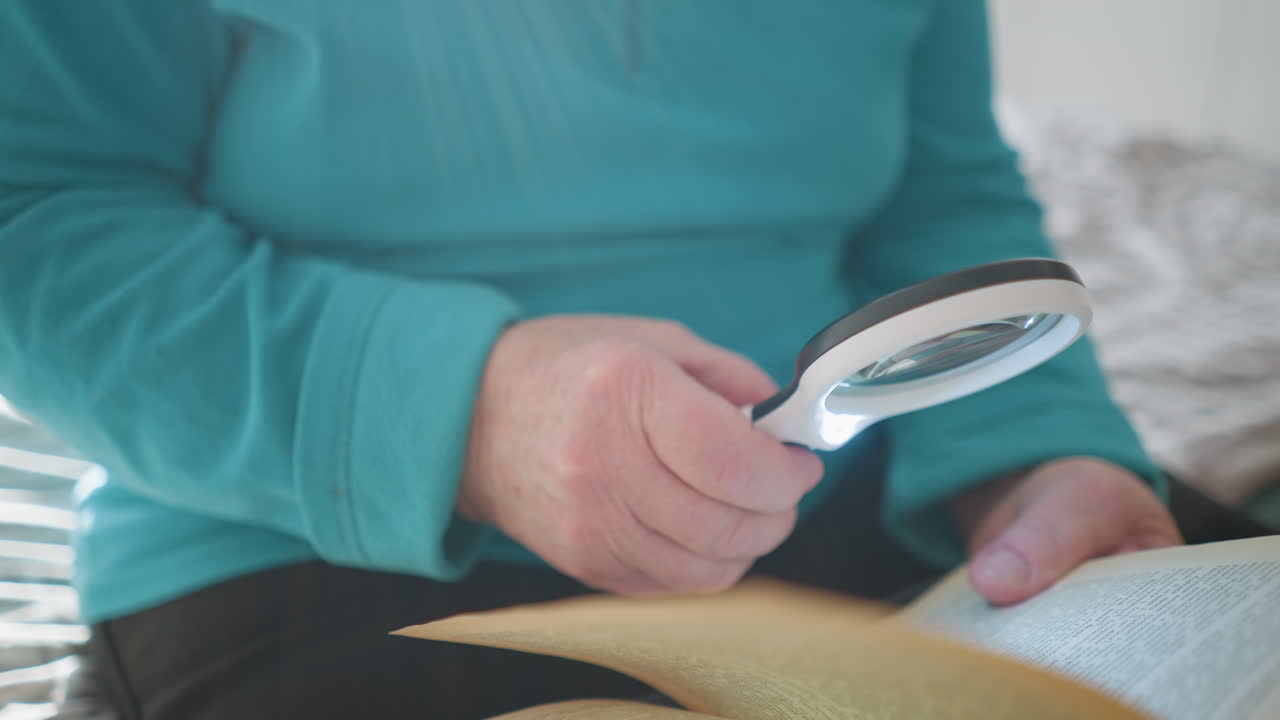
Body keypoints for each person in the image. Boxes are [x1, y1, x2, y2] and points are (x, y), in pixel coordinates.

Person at [0, 2, 1181, 718]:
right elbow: (40, 212)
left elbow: (943, 200)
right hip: (290, 531)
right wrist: (467, 417)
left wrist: (1031, 455)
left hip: (857, 490)